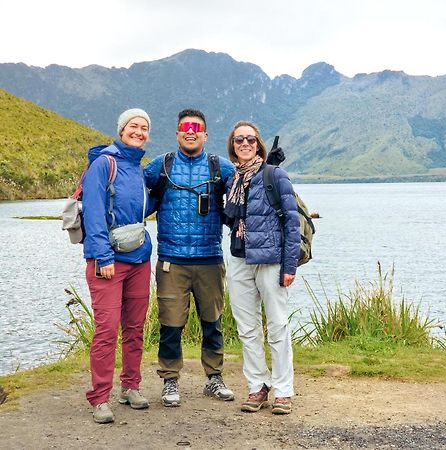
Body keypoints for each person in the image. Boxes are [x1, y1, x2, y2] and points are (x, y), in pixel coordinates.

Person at [144, 108, 235, 407]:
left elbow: (246, 192)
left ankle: (214, 377)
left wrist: (268, 168)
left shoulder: (220, 168)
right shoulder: (162, 166)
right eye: (185, 127)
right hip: (172, 260)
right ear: (177, 133)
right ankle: (170, 381)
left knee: (213, 321)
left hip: (210, 258)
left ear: (206, 135)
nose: (191, 131)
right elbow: (134, 192)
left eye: (197, 127)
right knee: (171, 324)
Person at [82, 108, 154, 424]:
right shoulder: (103, 164)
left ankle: (130, 386)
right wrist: (103, 256)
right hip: (108, 260)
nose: (139, 131)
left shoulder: (139, 169)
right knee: (108, 329)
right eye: (133, 126)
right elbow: (94, 212)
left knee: (136, 328)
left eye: (144, 128)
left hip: (139, 257)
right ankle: (99, 398)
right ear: (122, 129)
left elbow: (142, 207)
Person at [224, 121, 301, 415]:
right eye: (239, 139)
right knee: (247, 328)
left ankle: (283, 391)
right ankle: (258, 386)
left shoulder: (274, 175)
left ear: (259, 144)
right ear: (233, 144)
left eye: (251, 139)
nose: (245, 143)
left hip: (271, 260)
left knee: (278, 326)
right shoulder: (231, 179)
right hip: (239, 258)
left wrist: (289, 264)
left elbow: (292, 222)